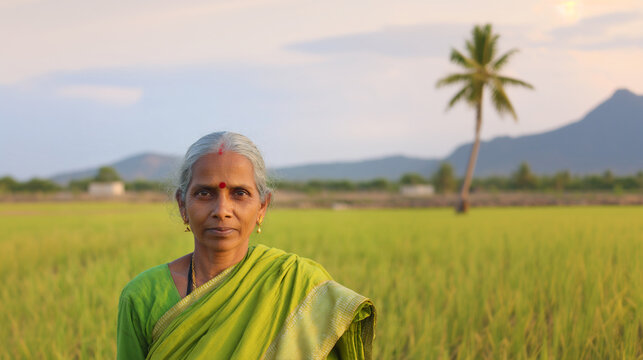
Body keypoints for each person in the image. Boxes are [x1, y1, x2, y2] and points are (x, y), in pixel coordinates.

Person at [117, 131, 376, 359]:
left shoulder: (296, 284)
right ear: (182, 204)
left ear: (262, 206)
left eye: (240, 193)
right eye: (204, 193)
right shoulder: (142, 295)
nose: (222, 210)